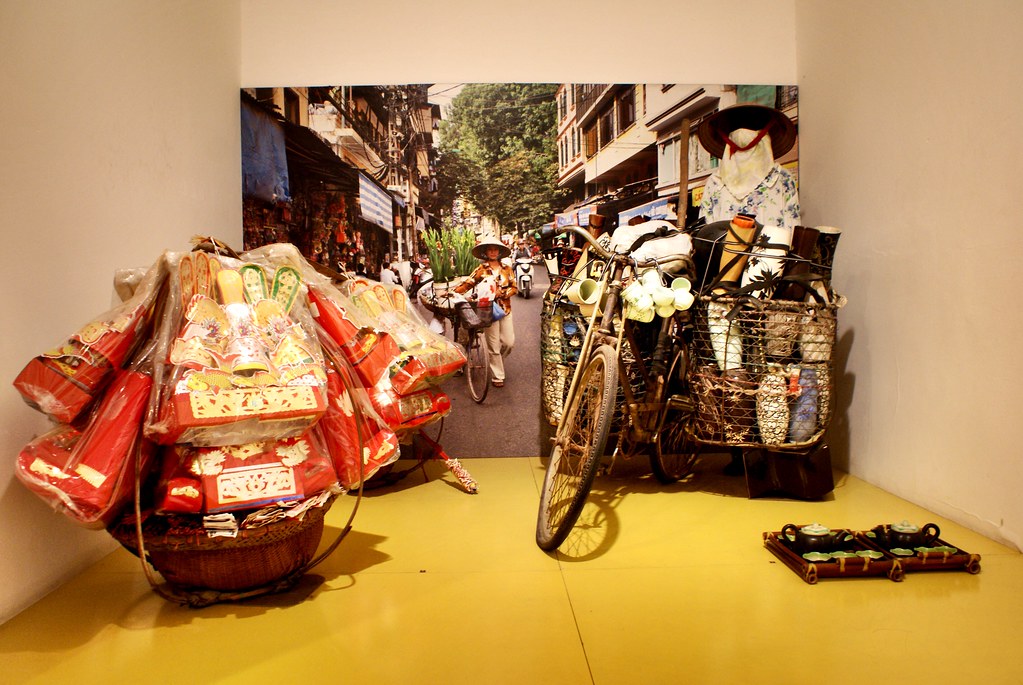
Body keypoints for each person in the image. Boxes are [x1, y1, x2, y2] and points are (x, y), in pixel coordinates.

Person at [696, 103, 800, 477]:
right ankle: (739, 442)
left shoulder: (781, 181)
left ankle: (769, 442)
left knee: (769, 359)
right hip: (722, 287)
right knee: (728, 360)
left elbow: (789, 234)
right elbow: (707, 234)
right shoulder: (714, 184)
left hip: (764, 286)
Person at [696, 103, 800, 230]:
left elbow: (792, 230)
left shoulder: (783, 179)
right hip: (733, 250)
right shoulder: (715, 182)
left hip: (767, 249)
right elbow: (707, 233)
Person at [453, 234, 517, 387]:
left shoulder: (507, 269)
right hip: (488, 310)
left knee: (509, 343)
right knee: (493, 345)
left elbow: (514, 287)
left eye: (496, 250)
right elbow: (468, 283)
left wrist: (503, 293)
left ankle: (496, 361)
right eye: (490, 250)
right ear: (486, 253)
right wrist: (454, 292)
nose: (493, 252)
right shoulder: (481, 269)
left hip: (505, 309)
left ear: (500, 252)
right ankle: (497, 376)